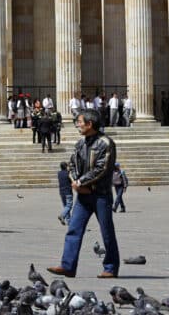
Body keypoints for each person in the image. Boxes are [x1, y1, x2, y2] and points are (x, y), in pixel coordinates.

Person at [48, 108, 120, 279]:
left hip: (101, 194)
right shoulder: (80, 143)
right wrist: (75, 182)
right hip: (83, 195)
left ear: (90, 124)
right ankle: (68, 266)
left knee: (106, 231)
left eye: (79, 122)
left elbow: (102, 168)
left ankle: (110, 267)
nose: (77, 125)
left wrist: (81, 182)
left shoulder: (105, 143)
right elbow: (72, 164)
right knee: (73, 229)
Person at [57, 162, 73, 226]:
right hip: (68, 192)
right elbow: (72, 180)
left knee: (66, 206)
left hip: (61, 192)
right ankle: (62, 216)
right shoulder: (68, 173)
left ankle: (69, 221)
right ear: (66, 167)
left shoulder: (59, 173)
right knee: (69, 206)